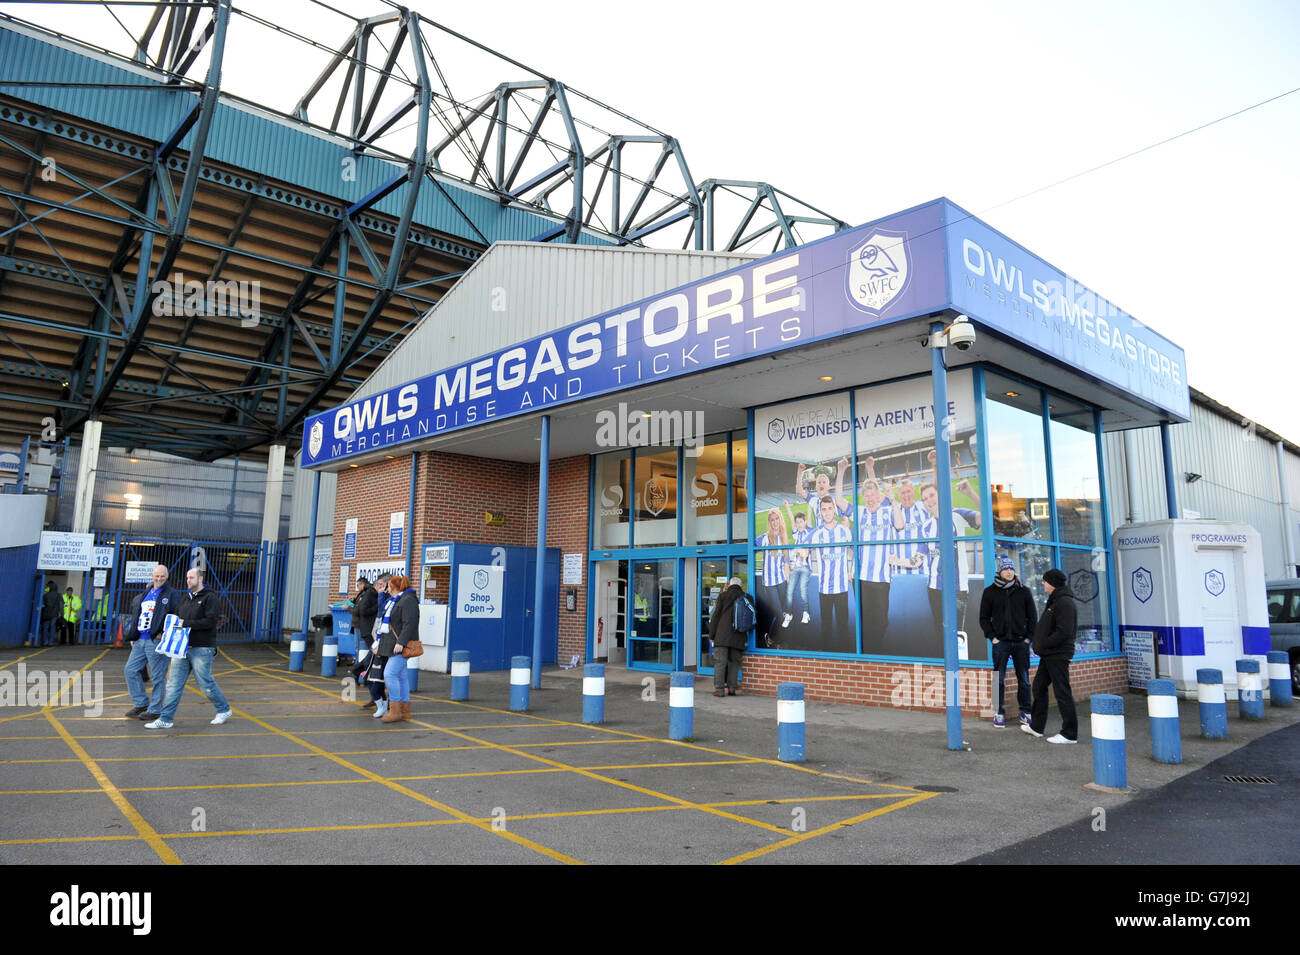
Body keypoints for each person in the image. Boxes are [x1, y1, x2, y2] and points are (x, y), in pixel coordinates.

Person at [147, 567, 232, 729]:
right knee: (173, 684)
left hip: (202, 647)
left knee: (205, 683)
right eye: (187, 577)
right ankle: (165, 719)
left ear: (200, 579)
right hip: (182, 647)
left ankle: (224, 709)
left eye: (191, 578)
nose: (188, 580)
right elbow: (178, 617)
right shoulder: (186, 597)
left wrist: (185, 623)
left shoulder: (210, 597)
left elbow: (210, 622)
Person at [979, 556, 1037, 728]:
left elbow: (1033, 617)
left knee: (1024, 679)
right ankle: (998, 713)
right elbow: (984, 618)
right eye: (1005, 569)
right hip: (1001, 643)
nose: (1009, 572)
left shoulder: (1023, 591)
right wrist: (993, 638)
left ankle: (1025, 712)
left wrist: (1028, 638)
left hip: (1021, 643)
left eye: (1011, 569)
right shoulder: (990, 592)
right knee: (999, 679)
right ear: (1000, 571)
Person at [1022, 568, 1078, 744]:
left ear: (1052, 583)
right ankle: (1037, 727)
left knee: (1062, 692)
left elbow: (1064, 632)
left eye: (1045, 581)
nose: (1042, 583)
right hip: (1049, 654)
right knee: (1038, 686)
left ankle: (1069, 733)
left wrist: (1044, 643)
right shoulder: (1055, 601)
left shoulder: (1064, 603)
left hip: (1058, 654)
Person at [123, 564, 183, 721]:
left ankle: (155, 708)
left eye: (162, 576)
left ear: (167, 576)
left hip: (156, 641)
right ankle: (141, 703)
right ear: (152, 576)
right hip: (140, 640)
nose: (159, 578)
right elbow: (138, 614)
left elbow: (177, 615)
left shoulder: (172, 594)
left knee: (158, 676)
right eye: (157, 576)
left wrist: (165, 633)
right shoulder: (146, 593)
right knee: (130, 670)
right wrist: (134, 635)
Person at [855, 461, 895, 652]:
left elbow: (876, 492)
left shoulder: (886, 508)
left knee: (881, 619)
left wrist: (870, 469)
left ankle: (875, 650)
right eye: (866, 495)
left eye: (873, 495)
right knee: (866, 618)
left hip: (881, 576)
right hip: (863, 577)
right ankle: (868, 652)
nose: (870, 498)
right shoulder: (861, 512)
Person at [810, 495, 854, 651]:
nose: (827, 512)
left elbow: (856, 549)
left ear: (834, 510)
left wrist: (851, 571)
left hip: (842, 588)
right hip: (824, 589)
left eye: (829, 509)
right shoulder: (816, 535)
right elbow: (803, 550)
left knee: (843, 627)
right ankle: (827, 662)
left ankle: (845, 661)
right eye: (824, 509)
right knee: (826, 627)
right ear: (820, 512)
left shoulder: (845, 531)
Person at [379, 574, 418, 723]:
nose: (387, 589)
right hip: (394, 644)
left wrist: (401, 642)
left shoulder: (407, 600)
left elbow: (409, 623)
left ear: (393, 587)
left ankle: (395, 710)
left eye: (388, 586)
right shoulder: (399, 600)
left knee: (389, 673)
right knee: (401, 677)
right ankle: (404, 710)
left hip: (401, 645)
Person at [707, 577, 749, 697]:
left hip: (722, 635)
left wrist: (712, 634)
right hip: (739, 635)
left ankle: (720, 690)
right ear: (740, 585)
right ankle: (731, 689)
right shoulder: (746, 597)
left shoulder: (723, 596)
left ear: (730, 584)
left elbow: (716, 616)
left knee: (720, 662)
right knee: (734, 663)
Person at [756, 508, 789, 640]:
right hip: (769, 583)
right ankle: (771, 637)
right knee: (779, 614)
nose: (775, 522)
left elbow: (786, 561)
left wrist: (788, 580)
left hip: (781, 580)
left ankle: (778, 640)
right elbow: (751, 548)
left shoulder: (783, 538)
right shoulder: (764, 538)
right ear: (769, 522)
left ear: (780, 519)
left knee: (785, 614)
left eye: (777, 519)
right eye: (772, 520)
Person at [783, 511, 813, 629]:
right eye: (797, 522)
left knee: (802, 589)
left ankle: (806, 613)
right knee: (789, 591)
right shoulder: (796, 534)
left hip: (805, 567)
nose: (799, 524)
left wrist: (809, 510)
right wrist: (787, 508)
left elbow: (805, 553)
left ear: (805, 522)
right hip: (795, 567)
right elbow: (791, 520)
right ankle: (789, 614)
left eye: (801, 522)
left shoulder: (809, 533)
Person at [40, 582, 60, 646]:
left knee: (45, 627)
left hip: (46, 613)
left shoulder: (45, 595)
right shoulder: (58, 595)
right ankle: (51, 642)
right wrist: (62, 614)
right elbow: (61, 605)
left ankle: (45, 641)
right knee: (52, 627)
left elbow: (42, 604)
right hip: (54, 614)